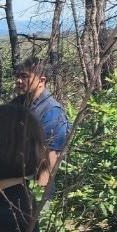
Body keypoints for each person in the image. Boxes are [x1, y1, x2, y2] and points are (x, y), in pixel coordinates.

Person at [12, 56, 69, 186]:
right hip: (16, 181)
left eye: (25, 76)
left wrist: (40, 194)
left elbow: (51, 158)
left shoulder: (52, 111)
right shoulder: (19, 103)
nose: (19, 81)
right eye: (18, 76)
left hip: (35, 186)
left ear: (41, 81)